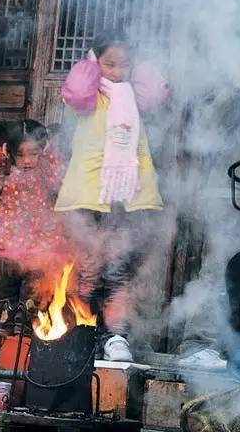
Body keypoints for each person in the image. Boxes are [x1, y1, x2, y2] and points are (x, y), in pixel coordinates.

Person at [55, 30, 168, 362]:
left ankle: (116, 336)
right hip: (89, 195)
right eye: (110, 64)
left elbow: (156, 92)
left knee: (118, 269)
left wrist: (139, 63)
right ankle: (80, 334)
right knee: (88, 268)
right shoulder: (89, 96)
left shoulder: (135, 97)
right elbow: (76, 91)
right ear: (95, 61)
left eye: (125, 64)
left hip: (128, 198)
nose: (118, 72)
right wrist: (90, 66)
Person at [0, 120, 67, 334]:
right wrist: (2, 153)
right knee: (2, 300)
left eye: (34, 153)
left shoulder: (46, 170)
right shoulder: (5, 169)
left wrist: (49, 151)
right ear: (11, 152)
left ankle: (26, 344)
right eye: (20, 154)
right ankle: (1, 346)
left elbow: (63, 179)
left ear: (42, 151)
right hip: (6, 247)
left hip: (39, 248)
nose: (27, 161)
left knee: (33, 303)